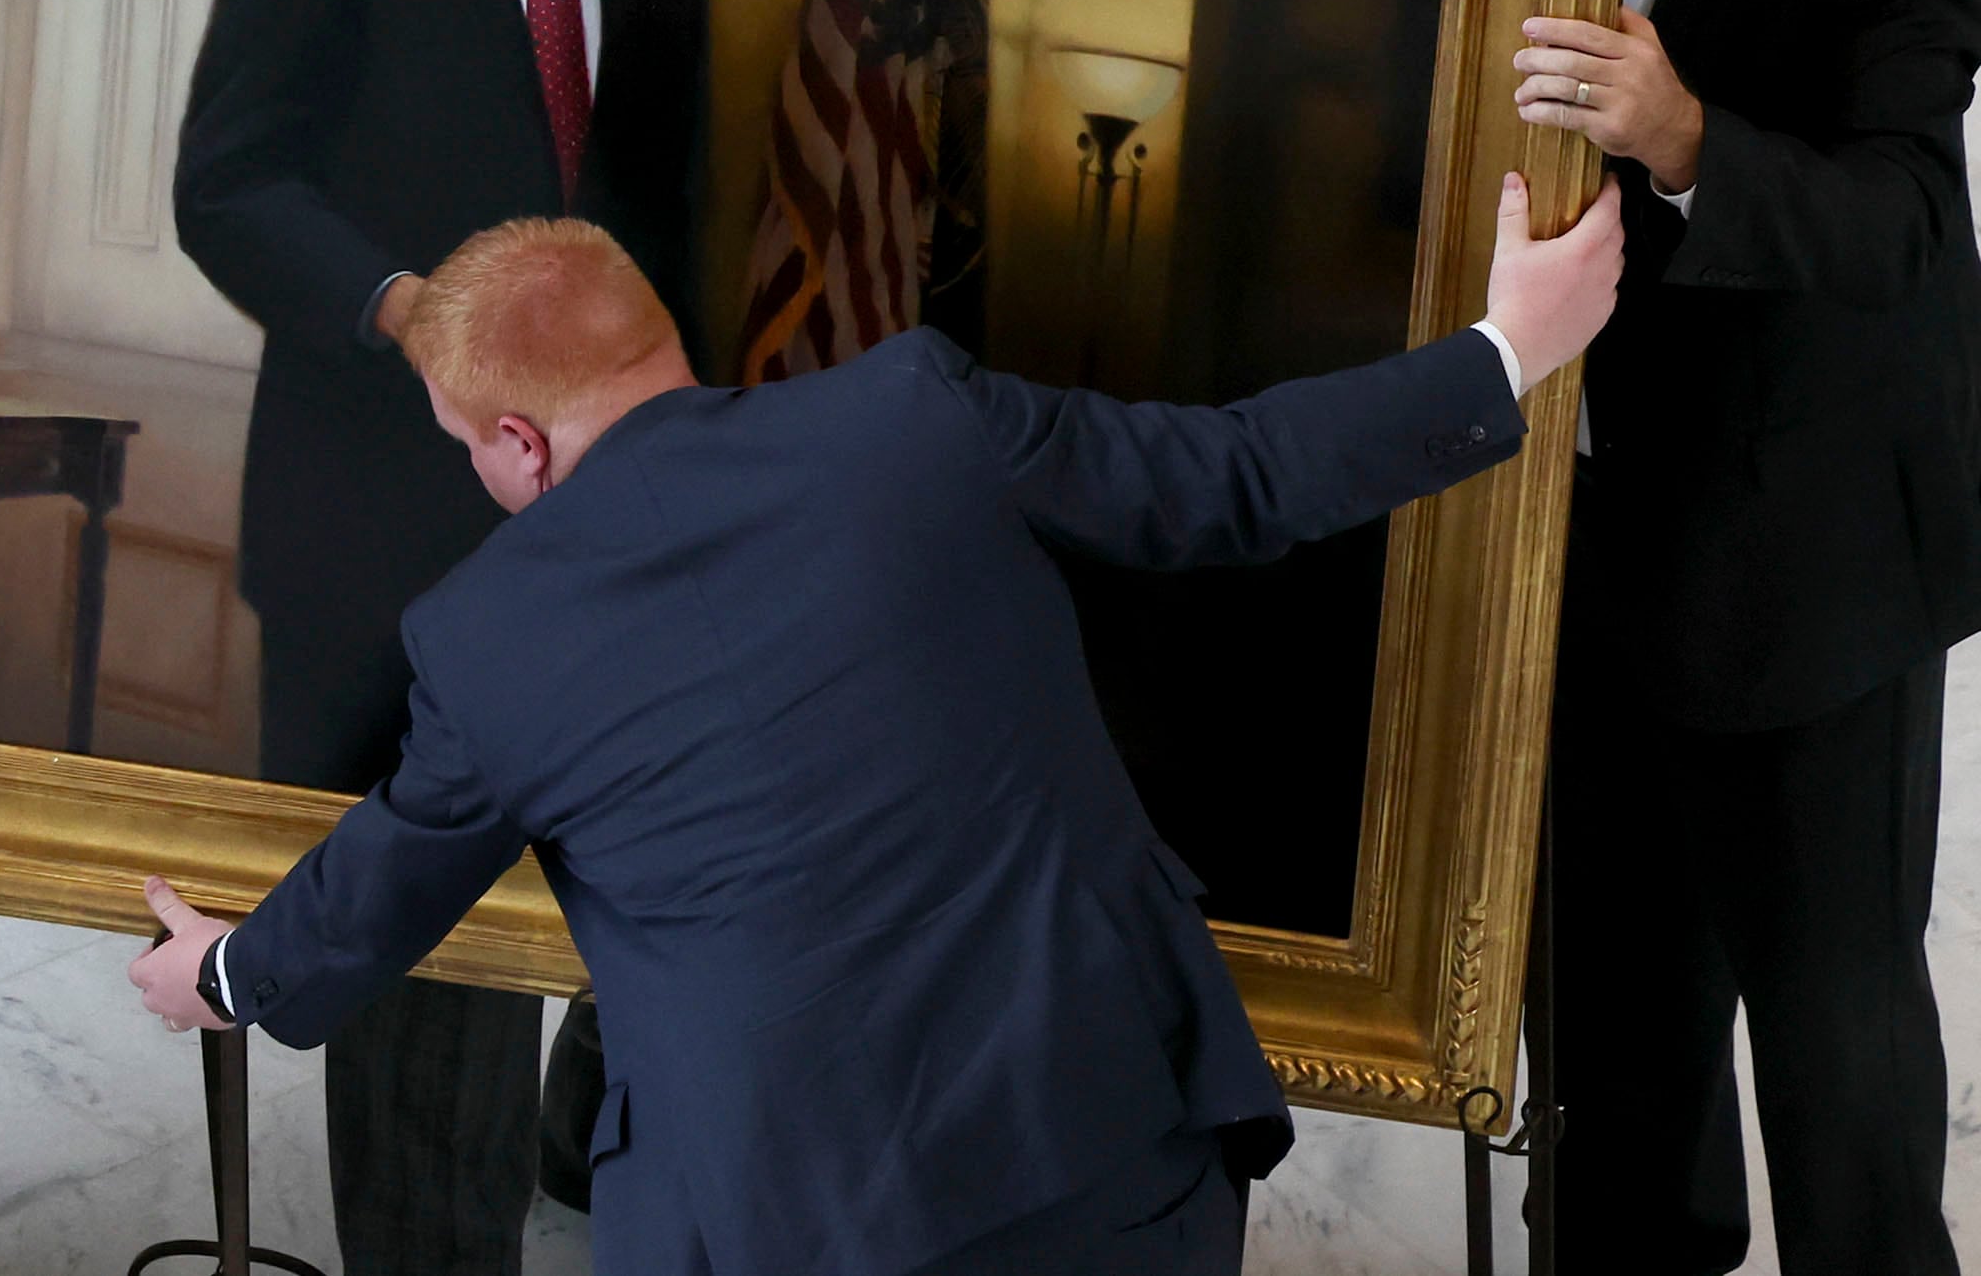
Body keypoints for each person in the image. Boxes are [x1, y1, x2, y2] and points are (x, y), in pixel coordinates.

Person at [132, 190, 1623, 1276]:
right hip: (1105, 1143)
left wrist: (217, 970)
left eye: (470, 448)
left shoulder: (483, 631)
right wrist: (1504, 349)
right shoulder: (917, 413)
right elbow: (1228, 474)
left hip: (788, 1219)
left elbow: (385, 877)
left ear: (516, 439)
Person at [172, 0, 709, 1267]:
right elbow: (229, 181)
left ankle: (558, 1189)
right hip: (366, 531)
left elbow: (665, 265)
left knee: (595, 916)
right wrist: (409, 316)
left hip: (592, 545)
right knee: (415, 953)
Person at [1508, 0, 1981, 1273]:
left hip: (1811, 584)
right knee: (1617, 1063)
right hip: (1615, 549)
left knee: (1838, 1075)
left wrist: (1690, 136)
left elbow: (1907, 221)